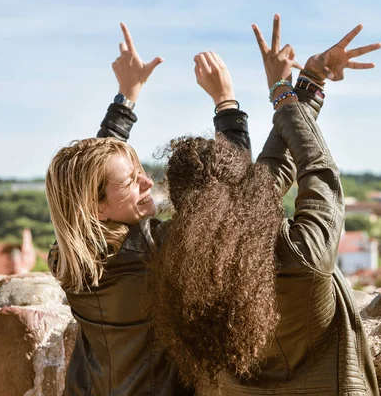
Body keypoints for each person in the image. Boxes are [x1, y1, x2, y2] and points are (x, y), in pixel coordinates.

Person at [149, 15, 381, 395]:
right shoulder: (303, 253)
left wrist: (307, 86)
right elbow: (318, 168)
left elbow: (266, 177)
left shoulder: (178, 258)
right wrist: (281, 90)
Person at [46, 23, 251, 395]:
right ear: (98, 208)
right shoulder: (155, 253)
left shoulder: (69, 257)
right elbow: (233, 195)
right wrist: (226, 102)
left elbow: (92, 175)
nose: (146, 182)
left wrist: (126, 98)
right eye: (132, 181)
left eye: (142, 171)